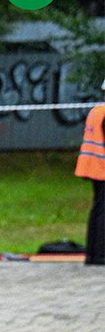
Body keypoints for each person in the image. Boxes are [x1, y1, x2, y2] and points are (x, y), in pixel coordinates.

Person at [76, 77, 105, 265]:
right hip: (102, 168)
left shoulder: (97, 110)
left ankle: (93, 254)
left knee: (97, 210)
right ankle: (101, 254)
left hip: (92, 166)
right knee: (103, 212)